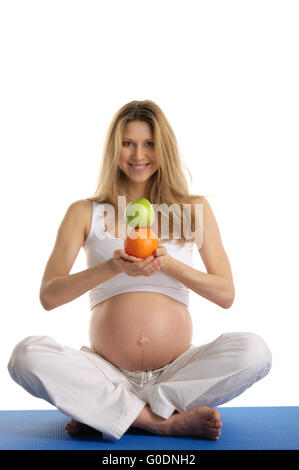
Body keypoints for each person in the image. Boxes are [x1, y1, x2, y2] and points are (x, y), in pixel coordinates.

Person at [7, 100, 272, 442]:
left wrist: (169, 264)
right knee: (26, 355)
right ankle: (161, 422)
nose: (137, 155)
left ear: (163, 149)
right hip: (107, 372)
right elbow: (49, 296)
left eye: (149, 143)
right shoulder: (85, 212)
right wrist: (111, 267)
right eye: (127, 143)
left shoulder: (192, 209)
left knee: (256, 351)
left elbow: (225, 294)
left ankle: (111, 412)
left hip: (177, 372)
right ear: (113, 149)